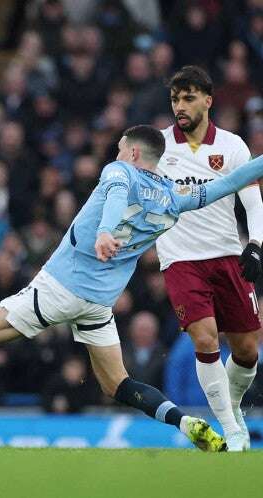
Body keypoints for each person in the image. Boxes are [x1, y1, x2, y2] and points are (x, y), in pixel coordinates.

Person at [0, 124, 263, 452]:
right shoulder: (174, 197)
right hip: (98, 304)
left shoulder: (120, 170)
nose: (113, 155)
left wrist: (106, 232)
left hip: (60, 287)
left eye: (118, 149)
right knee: (116, 383)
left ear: (133, 152)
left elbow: (114, 195)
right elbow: (232, 181)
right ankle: (185, 423)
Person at [156, 66, 262, 451]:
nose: (179, 106)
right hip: (180, 259)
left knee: (248, 349)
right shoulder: (159, 148)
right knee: (204, 338)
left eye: (187, 98)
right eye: (174, 99)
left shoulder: (232, 146)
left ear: (207, 100)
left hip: (226, 255)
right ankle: (232, 429)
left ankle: (230, 406)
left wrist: (256, 245)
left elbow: (252, 200)